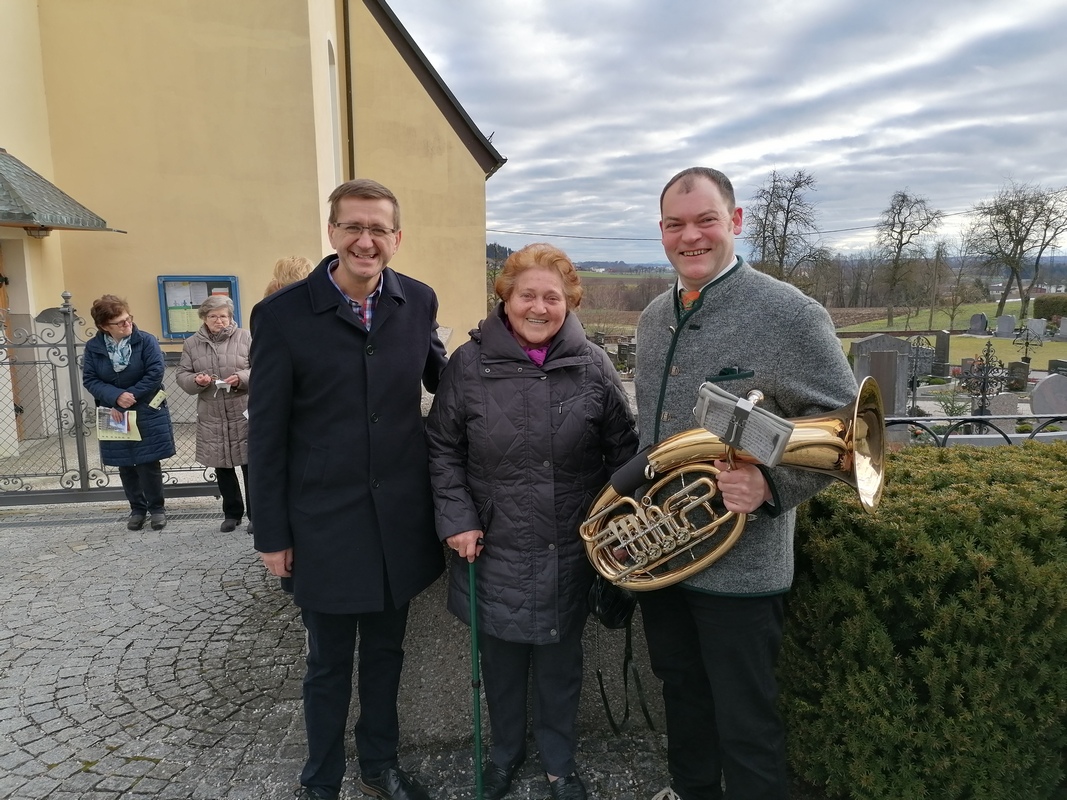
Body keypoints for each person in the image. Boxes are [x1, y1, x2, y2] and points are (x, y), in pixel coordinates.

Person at [634, 168, 858, 800]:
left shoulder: (790, 312)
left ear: (734, 222)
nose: (691, 236)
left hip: (743, 562)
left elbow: (845, 435)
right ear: (661, 233)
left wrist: (770, 486)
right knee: (681, 694)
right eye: (675, 224)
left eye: (705, 220)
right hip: (663, 553)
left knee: (746, 721)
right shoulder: (654, 317)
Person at [247, 178, 447, 800]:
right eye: (353, 227)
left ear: (396, 237)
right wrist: (271, 534)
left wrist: (521, 350)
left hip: (398, 521)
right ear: (332, 233)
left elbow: (447, 378)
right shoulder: (281, 317)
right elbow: (267, 436)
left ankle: (380, 764)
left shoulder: (417, 301)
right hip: (323, 523)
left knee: (387, 656)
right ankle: (321, 778)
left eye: (379, 229)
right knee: (328, 664)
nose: (366, 240)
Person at [426, 243, 639, 800]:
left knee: (561, 662)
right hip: (494, 544)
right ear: (506, 298)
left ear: (569, 303)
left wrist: (621, 526)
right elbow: (442, 449)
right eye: (528, 295)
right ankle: (504, 754)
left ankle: (559, 761)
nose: (539, 307)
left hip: (570, 546)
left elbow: (624, 451)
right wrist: (457, 518)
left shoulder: (593, 364)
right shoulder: (468, 366)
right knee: (498, 663)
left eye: (553, 297)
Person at [83, 295, 176, 532]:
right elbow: (90, 379)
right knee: (125, 463)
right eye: (120, 322)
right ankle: (137, 509)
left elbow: (155, 373)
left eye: (128, 319)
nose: (128, 324)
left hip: (145, 408)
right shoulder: (94, 348)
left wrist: (128, 397)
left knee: (148, 462)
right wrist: (115, 396)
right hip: (113, 411)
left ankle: (157, 509)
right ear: (105, 327)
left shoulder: (145, 341)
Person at [175, 296, 252, 533]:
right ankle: (232, 513)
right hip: (212, 412)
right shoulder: (191, 344)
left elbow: (261, 367)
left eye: (223, 316)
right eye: (213, 316)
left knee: (251, 464)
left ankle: (257, 515)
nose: (219, 321)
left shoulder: (246, 337)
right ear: (204, 319)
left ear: (230, 317)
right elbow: (181, 374)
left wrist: (241, 377)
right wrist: (196, 380)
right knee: (222, 465)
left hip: (243, 409)